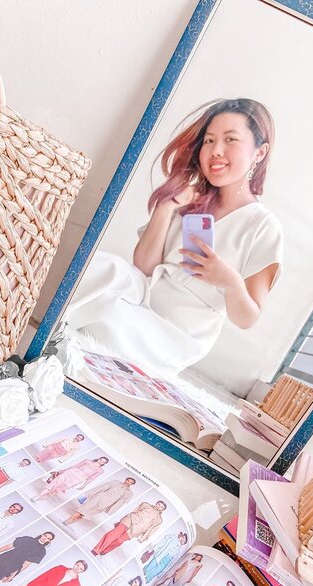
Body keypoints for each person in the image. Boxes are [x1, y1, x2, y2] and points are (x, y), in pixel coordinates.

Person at [66, 98, 283, 377]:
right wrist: (166, 207)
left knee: (108, 314)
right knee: (96, 265)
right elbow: (143, 267)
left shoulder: (264, 226)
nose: (216, 151)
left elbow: (247, 318)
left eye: (231, 140)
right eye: (209, 141)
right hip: (144, 294)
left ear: (259, 152)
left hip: (177, 334)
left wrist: (227, 280)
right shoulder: (192, 199)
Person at [92, 501, 167, 556]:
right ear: (156, 503)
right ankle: (97, 549)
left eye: (161, 507)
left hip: (136, 530)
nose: (159, 507)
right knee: (114, 534)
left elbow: (151, 530)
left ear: (162, 510)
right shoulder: (145, 505)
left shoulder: (159, 520)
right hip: (129, 520)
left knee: (119, 541)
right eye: (159, 504)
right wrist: (123, 519)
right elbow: (134, 510)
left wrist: (143, 538)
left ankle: (105, 550)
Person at [63, 477, 136, 525]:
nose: (128, 482)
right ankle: (69, 520)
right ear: (125, 479)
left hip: (106, 504)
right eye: (128, 480)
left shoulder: (129, 493)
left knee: (87, 514)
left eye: (131, 482)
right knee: (84, 508)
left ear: (132, 484)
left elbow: (120, 503)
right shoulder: (115, 482)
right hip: (99, 497)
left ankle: (73, 520)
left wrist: (111, 510)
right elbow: (102, 487)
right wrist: (89, 494)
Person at [31, 457, 109, 501]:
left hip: (78, 479)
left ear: (104, 464)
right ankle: (37, 496)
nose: (101, 461)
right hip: (71, 472)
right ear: (98, 459)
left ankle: (42, 497)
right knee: (54, 484)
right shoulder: (87, 461)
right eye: (101, 459)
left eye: (103, 462)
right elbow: (74, 466)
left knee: (59, 489)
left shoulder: (100, 471)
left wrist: (83, 486)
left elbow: (91, 479)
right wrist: (62, 470)